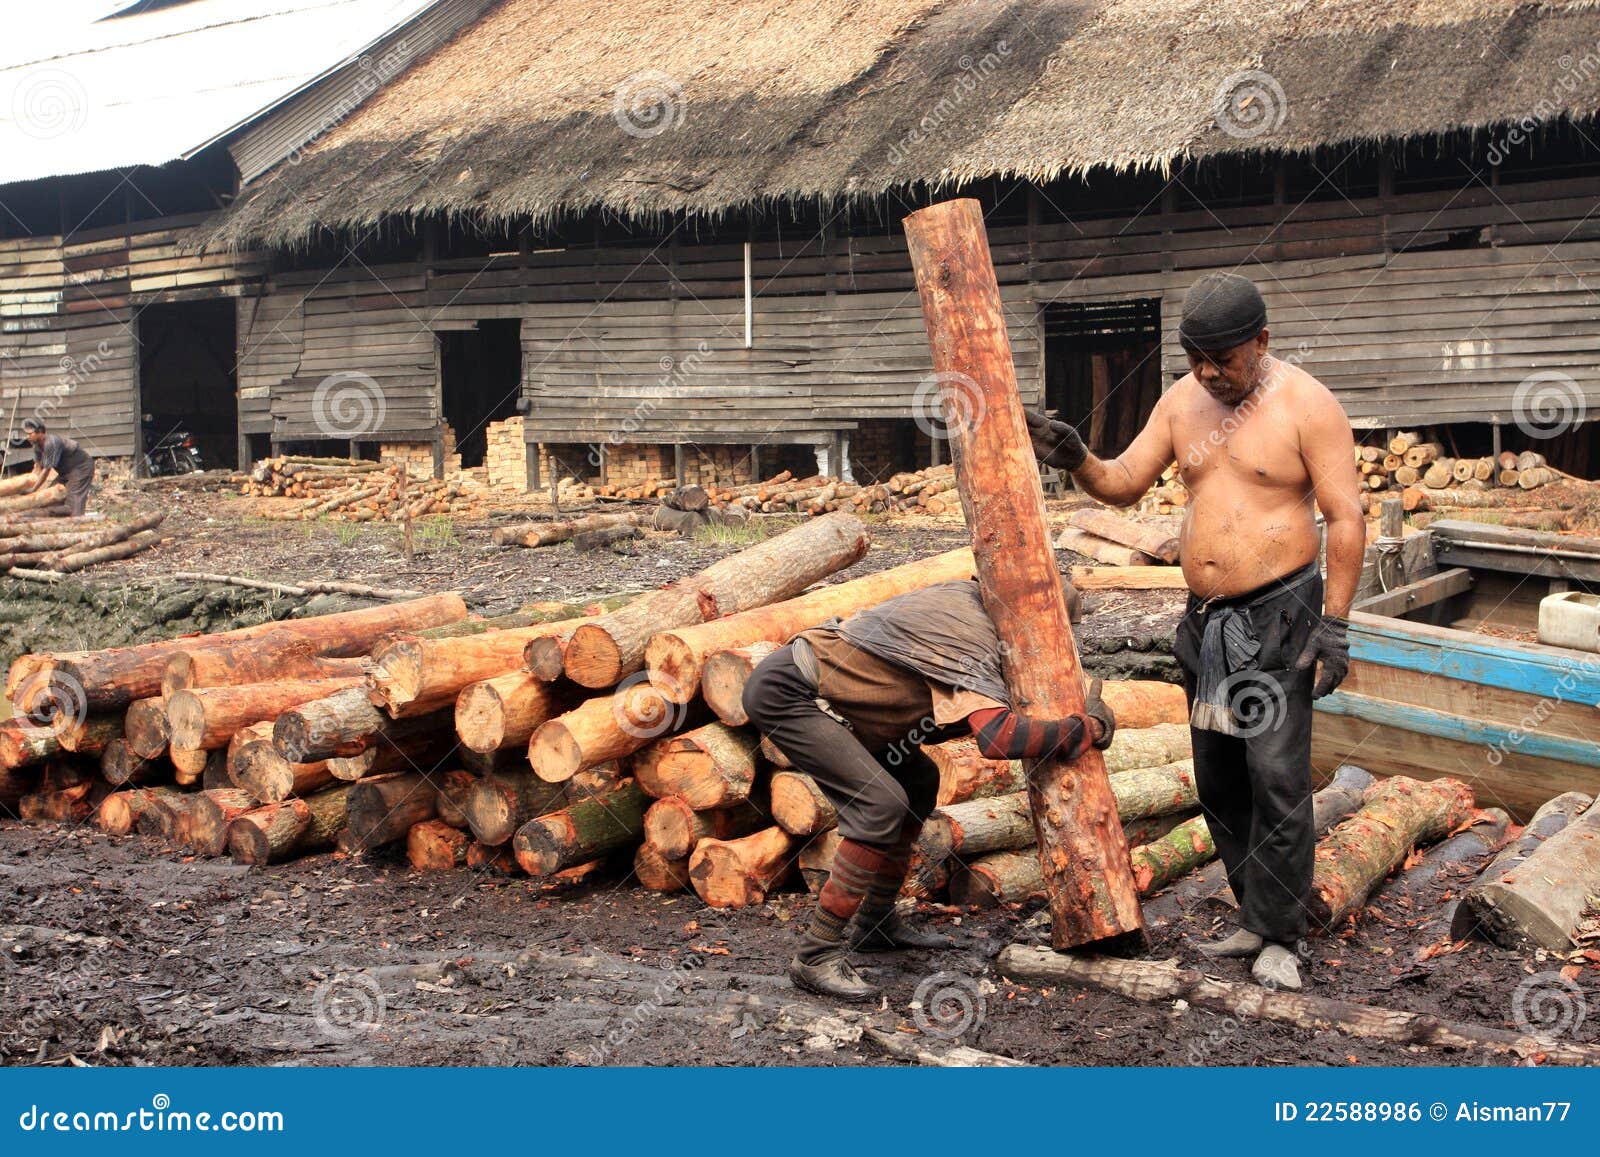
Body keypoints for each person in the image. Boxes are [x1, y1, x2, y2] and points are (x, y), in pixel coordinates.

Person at [1025, 271, 1363, 992]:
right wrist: (1078, 457)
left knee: (1276, 776)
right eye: (1196, 359)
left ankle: (1282, 934)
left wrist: (1334, 625)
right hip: (1207, 622)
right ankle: (1252, 913)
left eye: (1223, 359)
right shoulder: (1182, 402)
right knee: (1220, 776)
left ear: (1261, 342)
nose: (1209, 373)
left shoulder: (1308, 405)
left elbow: (1346, 517)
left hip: (1281, 615)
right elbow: (1123, 483)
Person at [743, 576, 1116, 1001]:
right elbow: (999, 739)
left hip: (848, 706)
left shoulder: (980, 608)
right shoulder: (970, 631)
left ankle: (876, 923)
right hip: (792, 694)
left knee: (919, 782)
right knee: (880, 804)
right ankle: (816, 955)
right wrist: (1084, 729)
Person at [20, 418, 95, 516]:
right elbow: (38, 467)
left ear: (40, 432)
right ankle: (58, 521)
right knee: (51, 497)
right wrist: (29, 484)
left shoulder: (51, 443)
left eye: (30, 434)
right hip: (65, 472)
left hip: (81, 468)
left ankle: (77, 520)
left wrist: (33, 489)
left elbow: (47, 470)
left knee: (74, 500)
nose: (28, 437)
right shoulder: (37, 446)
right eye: (27, 434)